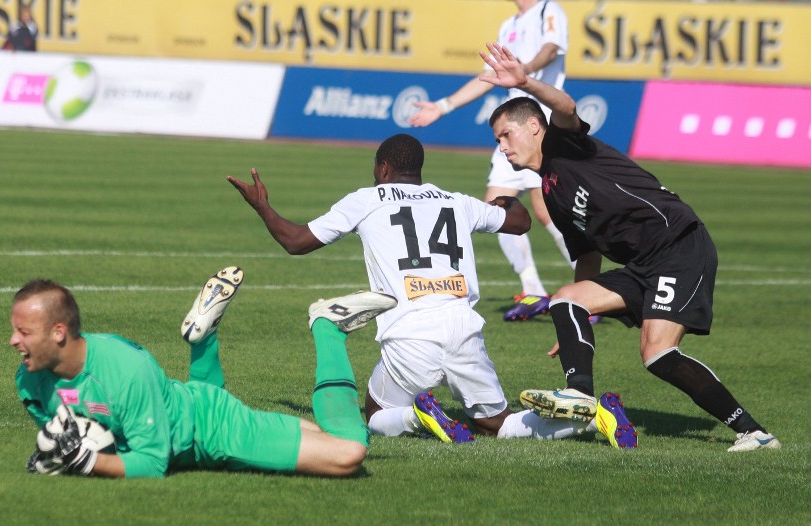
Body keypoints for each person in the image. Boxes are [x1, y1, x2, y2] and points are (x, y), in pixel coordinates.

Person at [227, 133, 636, 448]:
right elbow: (520, 222)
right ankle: (595, 416)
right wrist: (503, 201)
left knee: (373, 414)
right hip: (463, 328)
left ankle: (416, 417)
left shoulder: (366, 199)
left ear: (384, 168)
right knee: (499, 425)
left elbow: (296, 241)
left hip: (409, 331)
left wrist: (263, 207)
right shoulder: (456, 202)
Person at [477, 42, 780, 452]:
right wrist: (574, 324)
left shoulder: (563, 145)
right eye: (497, 140)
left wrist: (527, 81)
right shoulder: (550, 191)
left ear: (533, 125)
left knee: (657, 354)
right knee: (564, 299)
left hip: (677, 243)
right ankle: (580, 395)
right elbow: (587, 254)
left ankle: (754, 433)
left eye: (506, 135)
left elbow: (565, 107)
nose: (502, 147)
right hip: (643, 263)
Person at [13, 266, 399, 477]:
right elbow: (73, 431)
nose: (14, 341)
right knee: (319, 433)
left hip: (214, 428)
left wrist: (89, 462)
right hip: (185, 408)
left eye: (24, 332)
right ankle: (204, 341)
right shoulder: (29, 379)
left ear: (59, 332)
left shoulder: (126, 369)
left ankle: (328, 329)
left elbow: (152, 462)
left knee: (349, 452)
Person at [410, 0, 573, 322]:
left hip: (538, 126)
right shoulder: (509, 25)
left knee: (548, 213)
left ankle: (590, 289)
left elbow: (551, 49)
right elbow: (490, 75)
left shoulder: (548, 10)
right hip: (513, 129)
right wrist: (442, 106)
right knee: (497, 210)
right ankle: (534, 292)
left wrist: (523, 72)